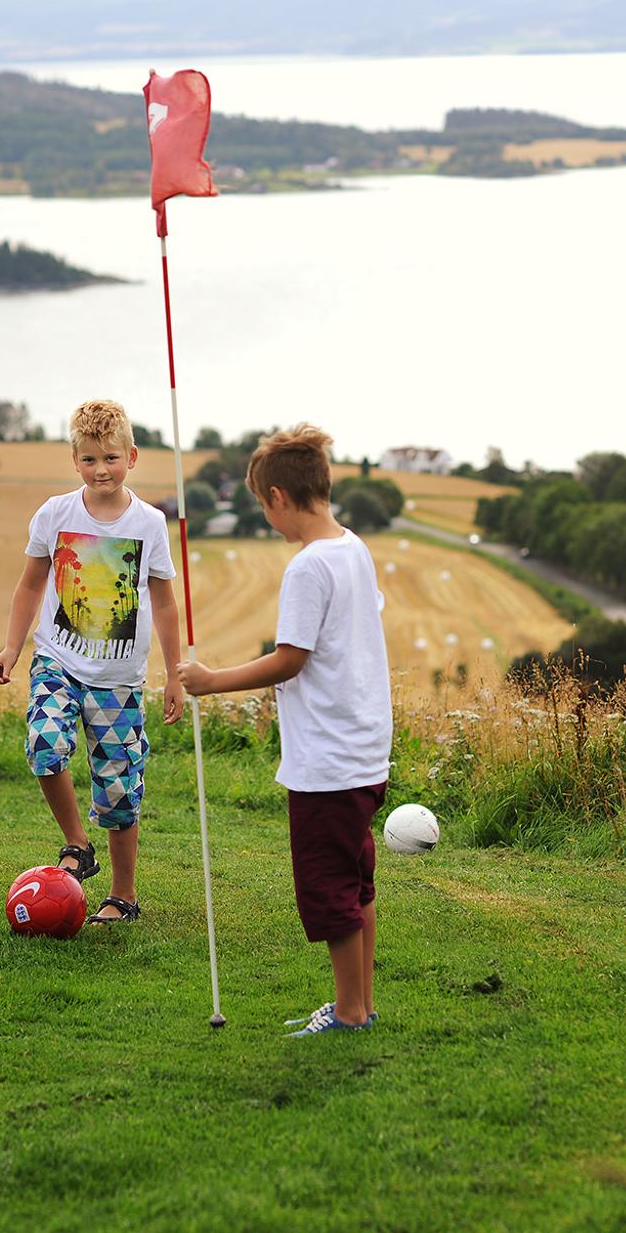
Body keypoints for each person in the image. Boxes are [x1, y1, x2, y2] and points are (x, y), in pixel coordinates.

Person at [179, 425, 391, 1035]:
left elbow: (290, 658)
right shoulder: (353, 547)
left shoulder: (308, 568)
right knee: (356, 879)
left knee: (331, 890)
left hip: (327, 759)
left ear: (276, 497)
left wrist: (211, 680)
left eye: (260, 506)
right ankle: (362, 1003)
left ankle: (350, 1011)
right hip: (365, 748)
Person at [0, 399, 183, 924]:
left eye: (112, 459)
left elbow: (164, 601)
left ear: (133, 458)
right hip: (58, 659)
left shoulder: (150, 523)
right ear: (75, 461)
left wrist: (175, 674)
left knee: (119, 788)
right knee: (45, 745)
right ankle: (78, 844)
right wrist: (12, 647)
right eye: (91, 459)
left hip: (119, 679)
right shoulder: (55, 514)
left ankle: (123, 896)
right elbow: (31, 583)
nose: (102, 470)